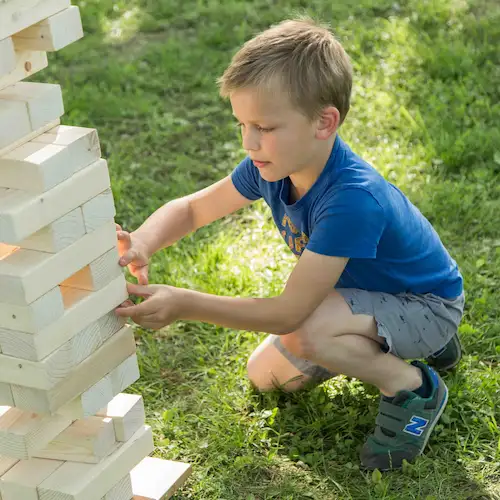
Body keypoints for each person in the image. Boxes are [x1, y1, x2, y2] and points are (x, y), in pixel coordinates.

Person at [114, 17, 465, 471]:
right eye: (242, 123)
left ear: (324, 122)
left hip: (427, 303)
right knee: (267, 380)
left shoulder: (352, 200)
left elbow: (288, 314)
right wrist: (144, 239)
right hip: (361, 298)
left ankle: (412, 386)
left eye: (264, 126)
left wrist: (184, 304)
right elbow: (193, 209)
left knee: (307, 331)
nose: (249, 141)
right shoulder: (272, 165)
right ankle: (393, 341)